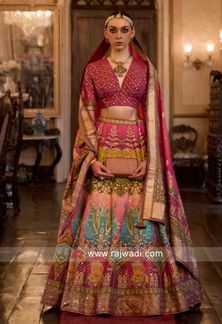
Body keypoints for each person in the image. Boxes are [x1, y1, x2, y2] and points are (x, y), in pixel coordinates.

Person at [41, 9, 202, 316]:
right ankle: (92, 295)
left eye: (123, 29)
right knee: (97, 225)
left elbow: (153, 118)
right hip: (102, 148)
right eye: (112, 30)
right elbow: (85, 113)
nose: (118, 35)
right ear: (105, 34)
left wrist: (150, 162)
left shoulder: (145, 70)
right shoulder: (92, 70)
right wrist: (89, 158)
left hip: (137, 149)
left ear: (132, 33)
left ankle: (148, 294)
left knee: (140, 226)